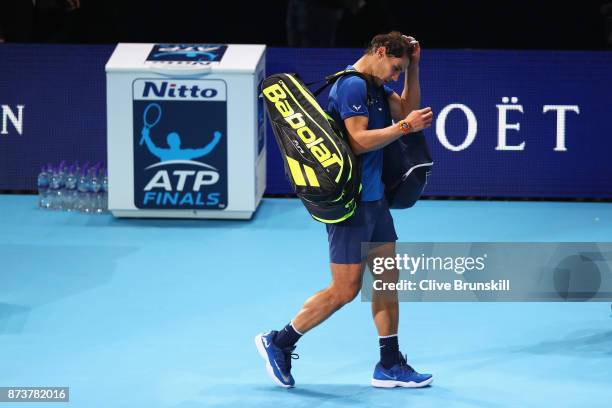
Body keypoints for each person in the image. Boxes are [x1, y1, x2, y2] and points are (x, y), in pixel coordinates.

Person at [255, 31, 434, 388]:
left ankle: (389, 364)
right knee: (345, 290)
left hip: (376, 203)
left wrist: (413, 67)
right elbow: (358, 140)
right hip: (350, 207)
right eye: (395, 68)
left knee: (386, 280)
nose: (395, 76)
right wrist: (404, 128)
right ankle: (279, 341)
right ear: (380, 52)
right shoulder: (353, 86)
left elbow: (407, 108)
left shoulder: (376, 86)